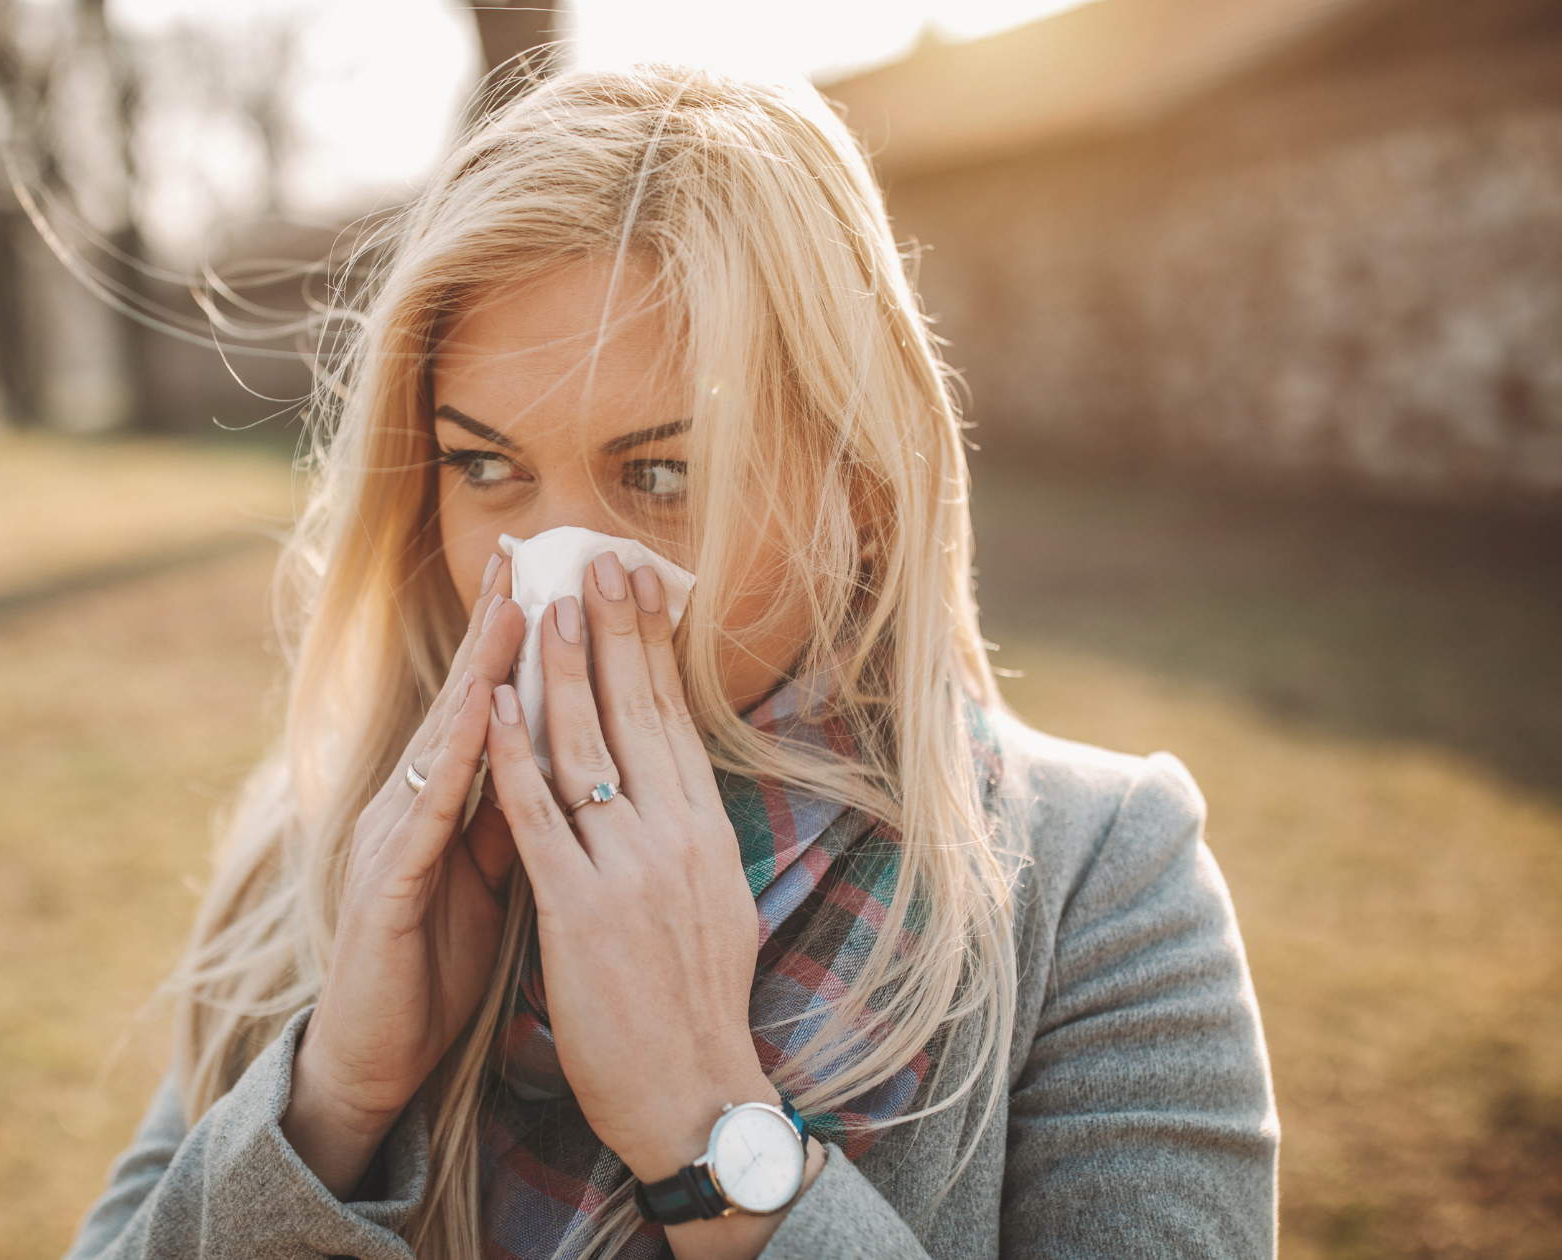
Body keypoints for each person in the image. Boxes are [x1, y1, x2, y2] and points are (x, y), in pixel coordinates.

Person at [67, 65, 1276, 1260]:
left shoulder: (1096, 890)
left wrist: (709, 1131)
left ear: (856, 490)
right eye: (483, 466)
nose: (554, 568)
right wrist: (332, 1102)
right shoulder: (337, 849)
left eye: (657, 475)